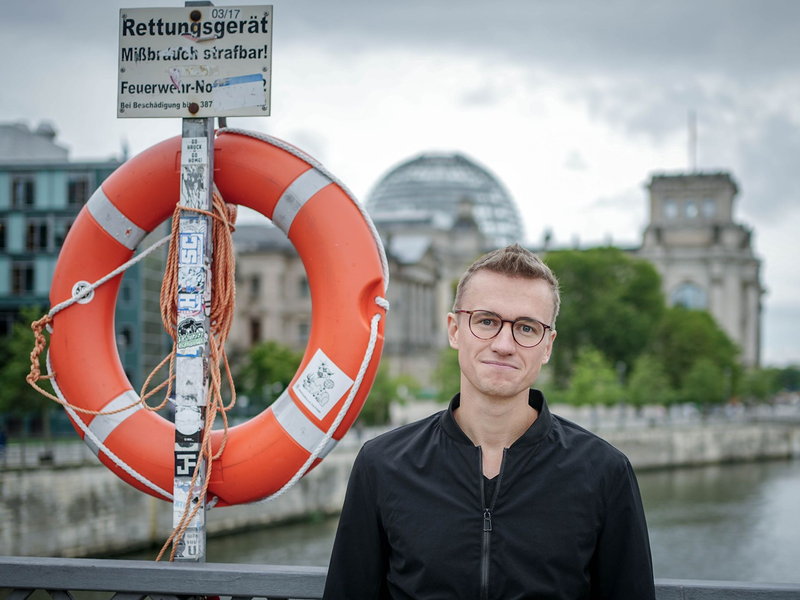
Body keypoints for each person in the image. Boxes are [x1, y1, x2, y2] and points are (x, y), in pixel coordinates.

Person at [323, 244, 655, 600]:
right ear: (454, 330)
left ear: (547, 346)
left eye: (526, 328)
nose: (503, 344)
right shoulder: (381, 465)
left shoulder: (605, 473)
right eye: (486, 321)